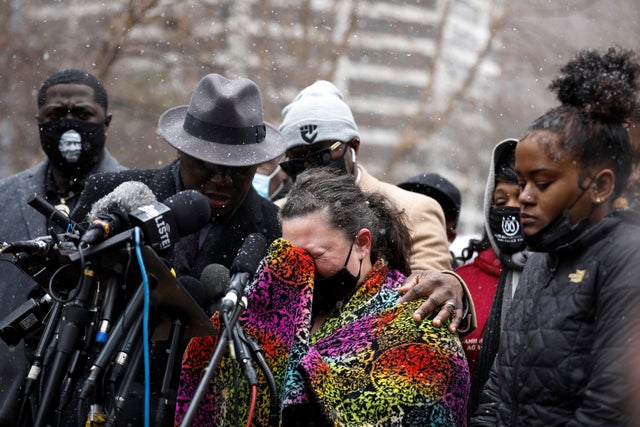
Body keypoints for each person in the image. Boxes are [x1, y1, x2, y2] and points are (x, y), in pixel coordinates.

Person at [66, 73, 287, 425]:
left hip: (205, 408)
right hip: (98, 398)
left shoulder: (274, 229)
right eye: (208, 165)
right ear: (181, 150)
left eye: (237, 169)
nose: (222, 180)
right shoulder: (114, 193)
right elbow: (65, 293)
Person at [174, 167, 471, 426]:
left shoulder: (415, 322)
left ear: (362, 243)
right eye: (289, 257)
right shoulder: (270, 306)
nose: (300, 268)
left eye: (314, 255)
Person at [471, 46, 640, 425]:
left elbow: (609, 410)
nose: (524, 198)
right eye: (521, 182)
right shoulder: (541, 258)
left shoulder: (629, 259)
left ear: (600, 186)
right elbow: (499, 388)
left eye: (542, 183)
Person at [277, 80, 476, 334]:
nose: (311, 168)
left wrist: (452, 284)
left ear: (354, 146)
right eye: (298, 160)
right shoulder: (278, 214)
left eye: (322, 155)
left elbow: (434, 298)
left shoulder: (414, 209)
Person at [0, 69, 125, 426]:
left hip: (93, 401)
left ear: (107, 122)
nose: (68, 125)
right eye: (55, 115)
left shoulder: (134, 200)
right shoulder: (5, 198)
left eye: (82, 115)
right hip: (10, 397)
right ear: (38, 121)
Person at [454, 138, 528, 418]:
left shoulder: (560, 279)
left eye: (521, 198)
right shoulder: (459, 284)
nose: (511, 210)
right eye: (500, 201)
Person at [398, 172, 462, 265]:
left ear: (450, 237)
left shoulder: (464, 278)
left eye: (430, 219)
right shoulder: (374, 267)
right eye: (406, 211)